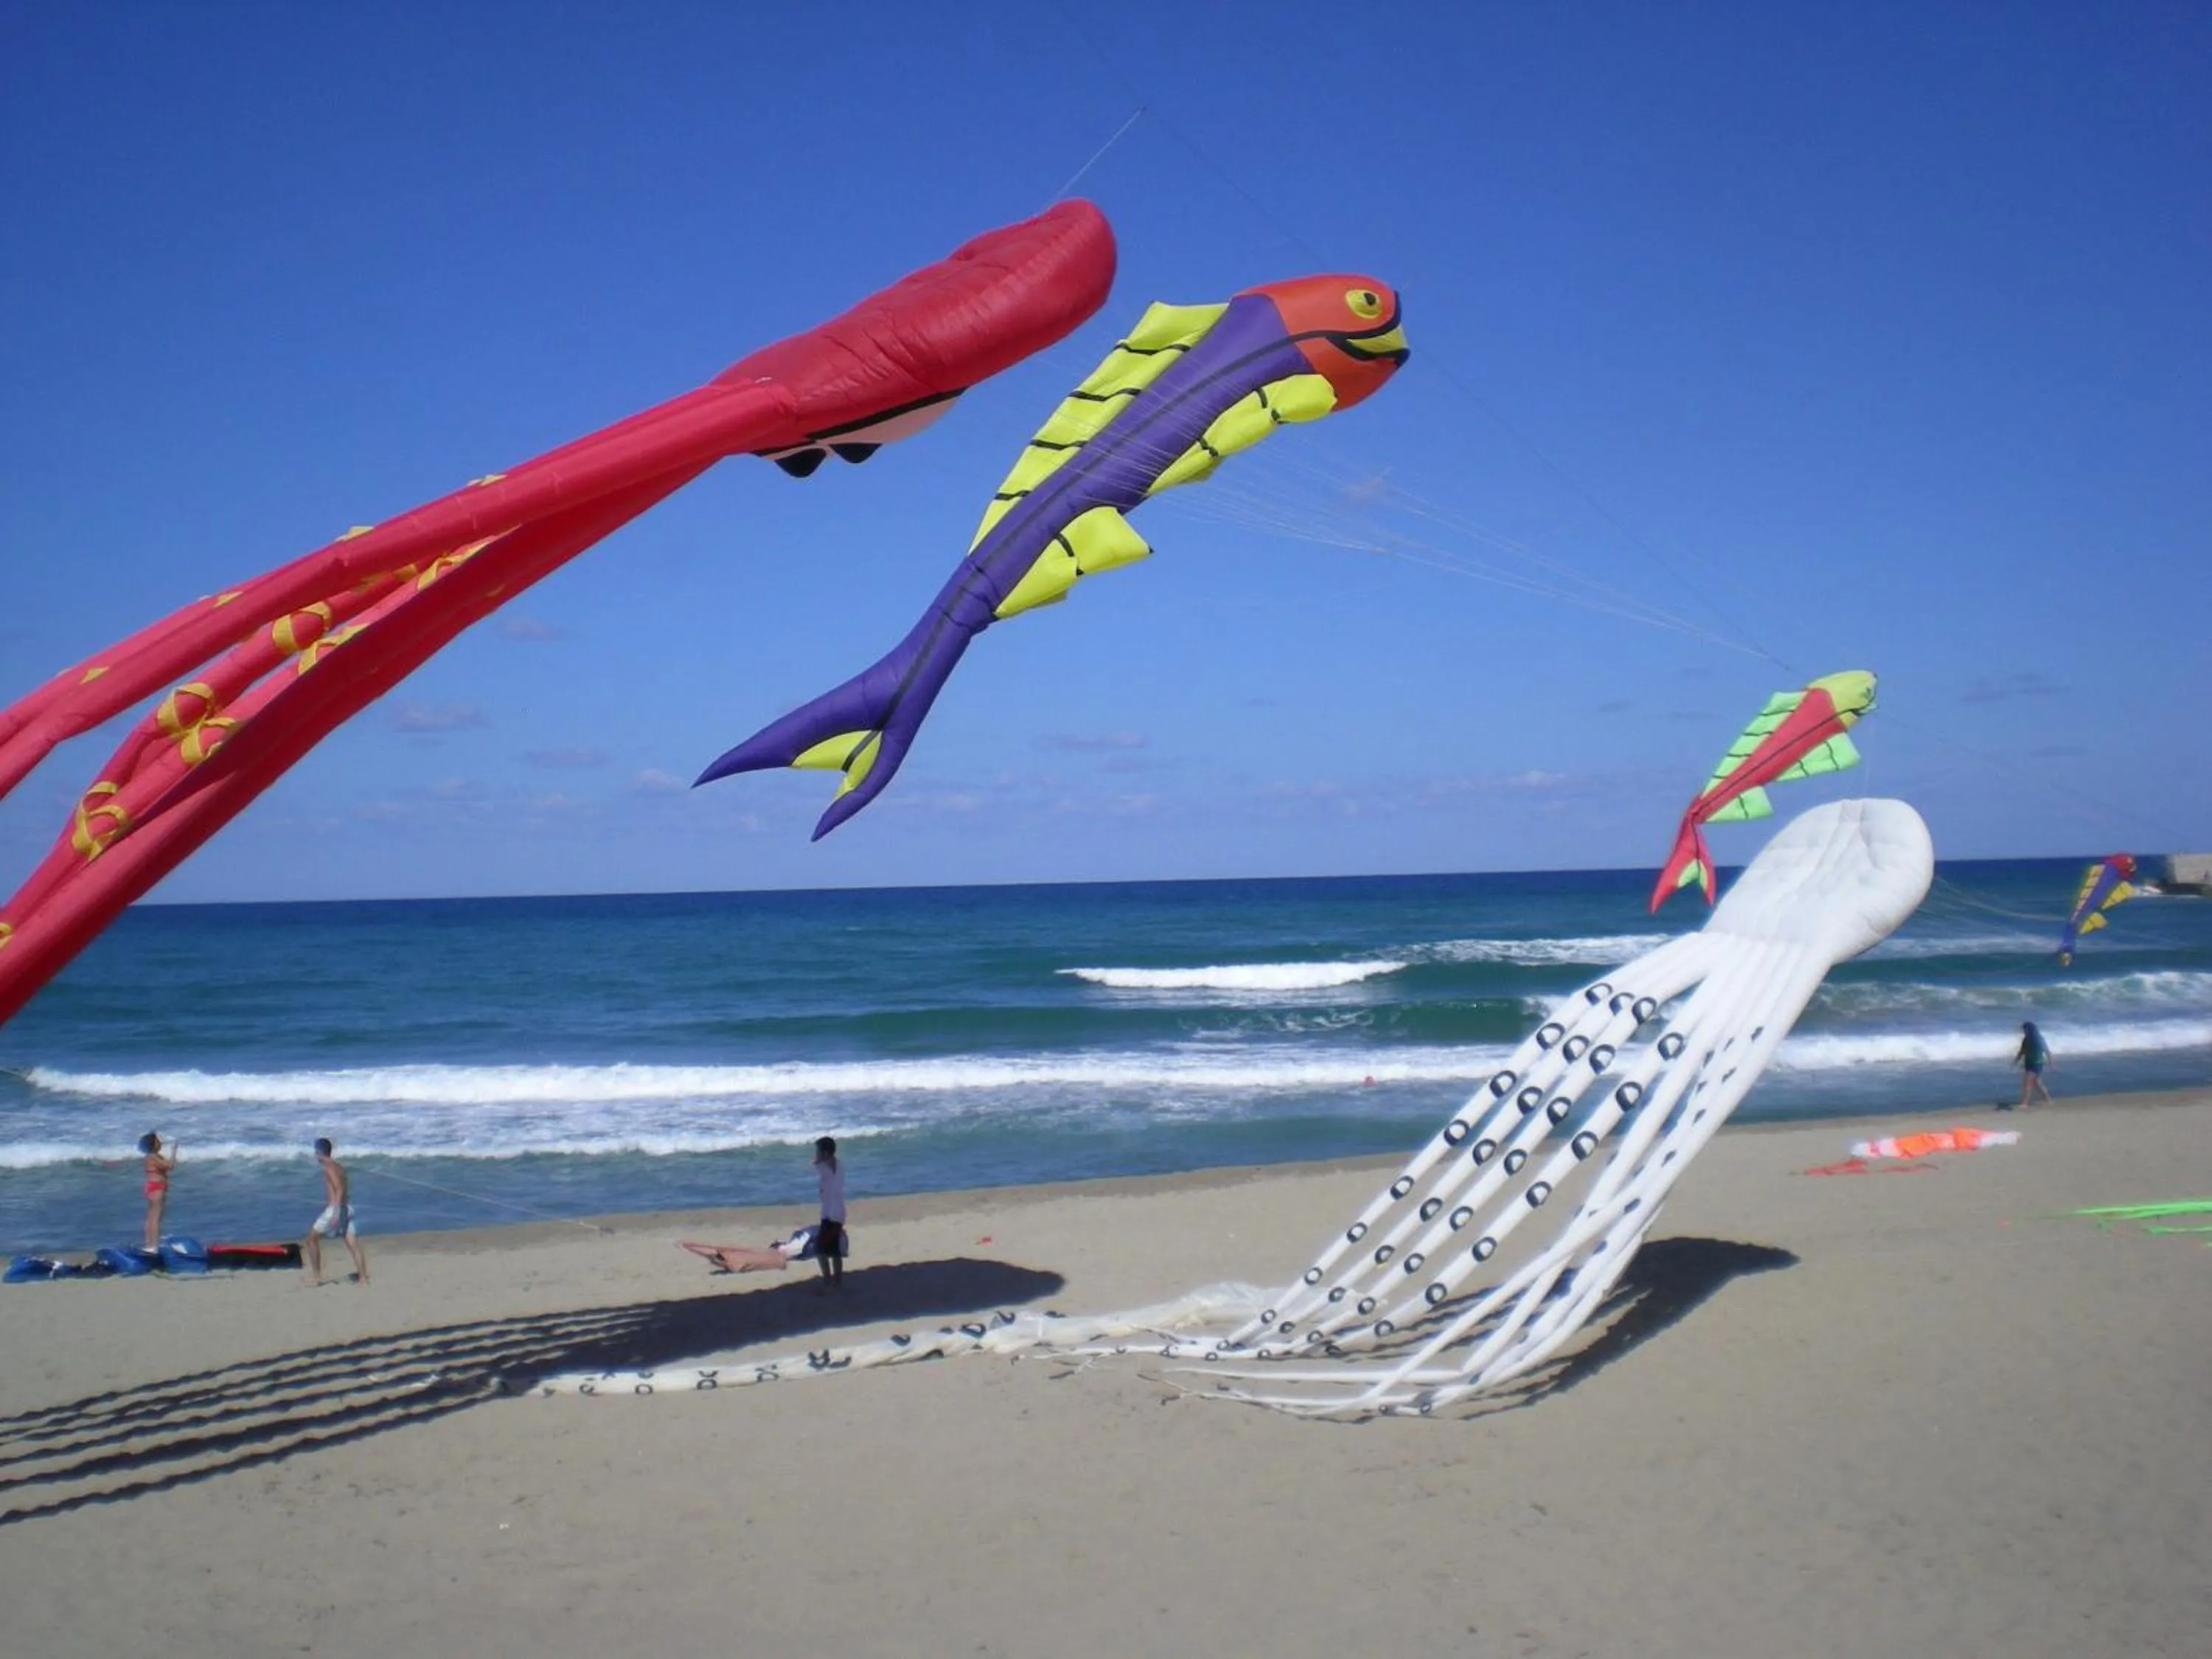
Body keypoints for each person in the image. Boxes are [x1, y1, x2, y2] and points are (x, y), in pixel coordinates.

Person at [305, 1137, 370, 1287]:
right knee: (353, 1243)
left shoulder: (329, 1167)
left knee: (311, 1239)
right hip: (347, 1208)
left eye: (316, 1152)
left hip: (336, 1209)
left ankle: (317, 1277)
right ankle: (363, 1279)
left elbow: (339, 1188)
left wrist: (335, 1213)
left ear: (319, 1152)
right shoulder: (339, 1167)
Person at [678, 1224, 846, 1276]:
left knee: (756, 1257)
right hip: (788, 1252)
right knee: (757, 1257)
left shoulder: (811, 1238)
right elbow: (799, 1246)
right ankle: (722, 1258)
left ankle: (721, 1258)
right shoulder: (812, 1238)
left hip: (787, 1252)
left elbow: (799, 1246)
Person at [813, 1135, 846, 1291]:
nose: (816, 1154)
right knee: (834, 1251)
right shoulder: (839, 1165)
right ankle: (837, 1283)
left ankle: (828, 1282)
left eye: (818, 1151)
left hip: (830, 1214)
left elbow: (813, 1165)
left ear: (825, 1154)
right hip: (838, 1212)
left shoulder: (823, 1168)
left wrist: (818, 1161)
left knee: (821, 1250)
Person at [139, 1132, 175, 1248]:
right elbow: (170, 1166)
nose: (160, 1143)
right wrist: (174, 1151)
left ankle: (148, 1243)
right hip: (157, 1188)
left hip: (153, 1187)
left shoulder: (152, 1157)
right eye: (157, 1142)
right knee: (155, 1217)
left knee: (151, 1216)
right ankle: (153, 1245)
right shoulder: (153, 1157)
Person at [2013, 1020, 2053, 1110]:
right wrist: (2016, 1061)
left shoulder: (2039, 1039)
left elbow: (2047, 1051)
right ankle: (2048, 1100)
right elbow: (2022, 1051)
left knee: (2028, 1082)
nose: (2024, 1032)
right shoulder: (2026, 1039)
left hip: (2037, 1063)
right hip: (2028, 1063)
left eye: (2025, 1030)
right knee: (2037, 1084)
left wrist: (2051, 1062)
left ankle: (2025, 1103)